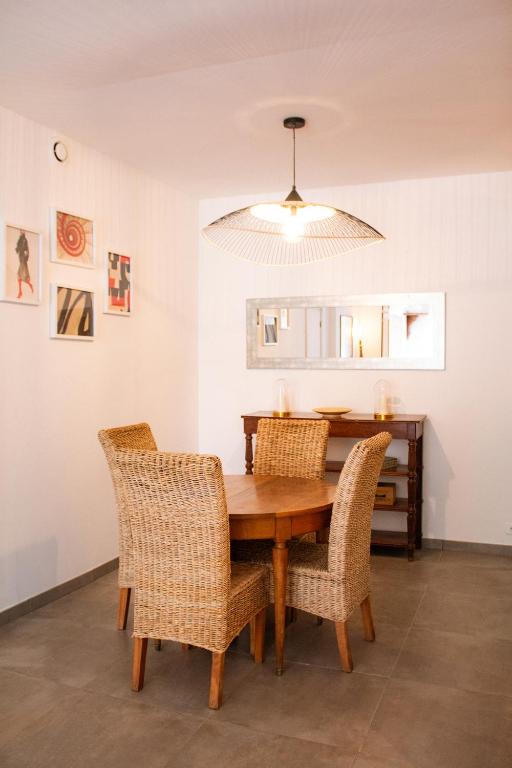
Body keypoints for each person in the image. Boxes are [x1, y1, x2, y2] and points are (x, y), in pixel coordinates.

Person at [15, 229, 33, 299]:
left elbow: (26, 249)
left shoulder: (24, 239)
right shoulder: (20, 239)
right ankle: (22, 290)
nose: (21, 232)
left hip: (23, 259)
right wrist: (17, 249)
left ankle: (21, 291)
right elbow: (18, 248)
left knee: (20, 275)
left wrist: (25, 253)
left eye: (22, 231)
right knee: (20, 275)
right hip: (21, 258)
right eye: (21, 231)